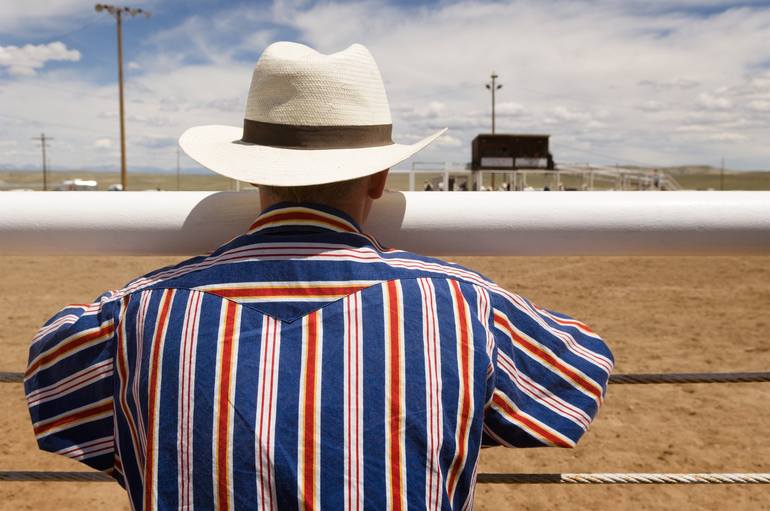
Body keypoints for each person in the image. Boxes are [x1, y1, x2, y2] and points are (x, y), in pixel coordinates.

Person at [25, 42, 613, 510]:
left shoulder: (132, 315)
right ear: (379, 180)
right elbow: (578, 377)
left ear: (252, 174)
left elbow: (55, 395)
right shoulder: (462, 306)